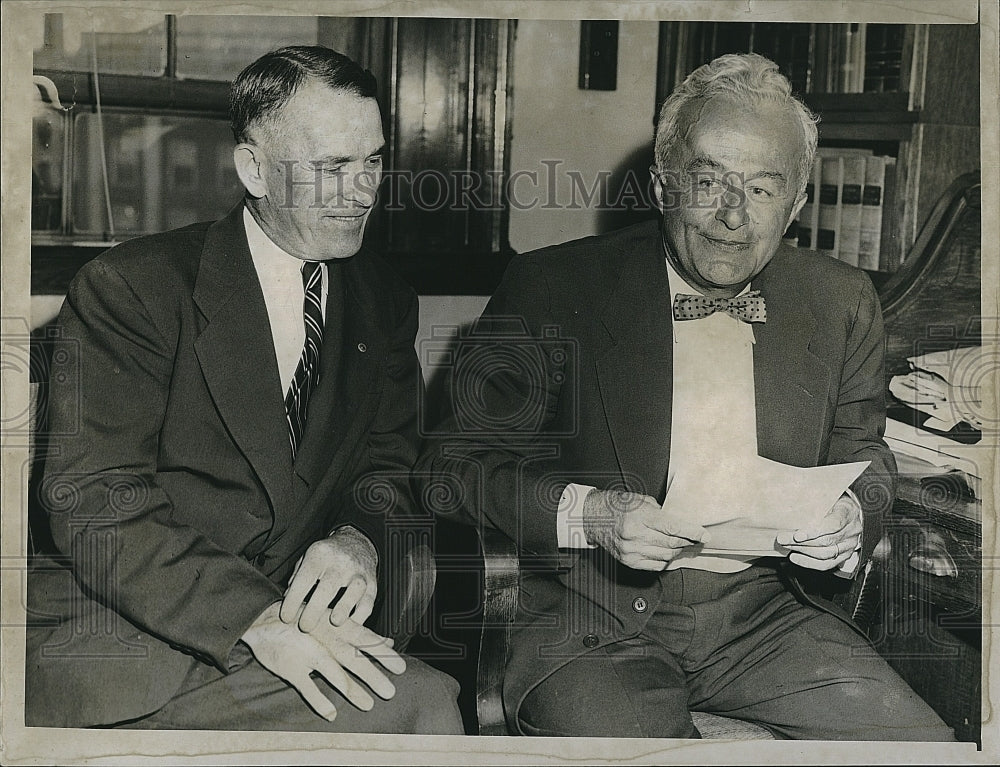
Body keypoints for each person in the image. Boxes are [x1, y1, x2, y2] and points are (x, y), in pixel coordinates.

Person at [415, 53, 954, 740]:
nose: (732, 216)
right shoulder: (552, 287)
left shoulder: (843, 301)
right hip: (588, 615)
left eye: (762, 190)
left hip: (765, 618)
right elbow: (450, 469)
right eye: (708, 181)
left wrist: (852, 516)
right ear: (663, 183)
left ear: (796, 203)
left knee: (924, 748)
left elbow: (867, 455)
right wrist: (593, 515)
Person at [25, 45, 463, 734]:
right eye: (331, 167)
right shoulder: (136, 288)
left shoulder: (383, 300)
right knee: (416, 709)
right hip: (125, 638)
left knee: (431, 701)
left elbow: (389, 469)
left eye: (373, 161)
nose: (361, 192)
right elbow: (97, 499)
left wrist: (358, 538)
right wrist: (254, 617)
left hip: (290, 624)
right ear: (253, 169)